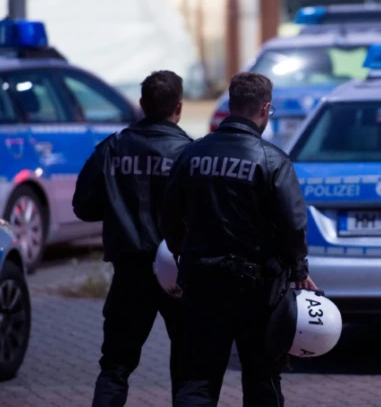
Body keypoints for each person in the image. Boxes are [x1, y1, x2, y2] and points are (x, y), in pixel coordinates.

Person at [159, 72, 316, 406]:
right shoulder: (272, 160)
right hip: (257, 290)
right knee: (262, 378)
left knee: (198, 379)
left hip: (201, 283)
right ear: (265, 108)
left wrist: (180, 253)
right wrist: (299, 270)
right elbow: (293, 225)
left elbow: (169, 215)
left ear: (231, 105)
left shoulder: (191, 155)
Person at [72, 70, 193, 407]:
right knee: (188, 368)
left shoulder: (112, 148)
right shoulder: (189, 153)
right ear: (179, 107)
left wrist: (115, 207)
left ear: (141, 104)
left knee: (115, 367)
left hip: (129, 272)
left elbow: (82, 206)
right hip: (180, 274)